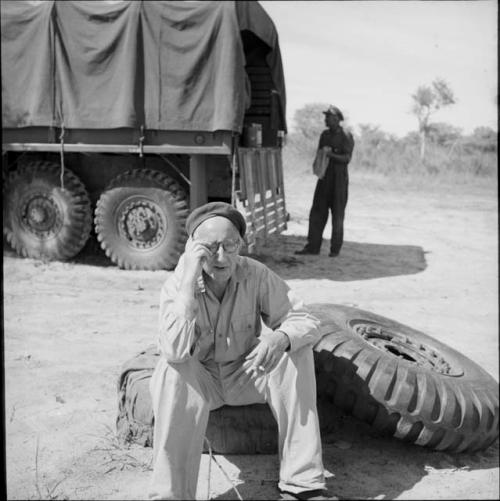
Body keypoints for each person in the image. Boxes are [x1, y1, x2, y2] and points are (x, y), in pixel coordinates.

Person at [149, 202, 335, 501]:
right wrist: (187, 288)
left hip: (246, 373)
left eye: (230, 245)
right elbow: (173, 350)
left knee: (296, 350)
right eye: (210, 247)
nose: (221, 257)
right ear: (192, 248)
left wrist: (279, 338)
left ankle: (303, 485)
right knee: (171, 368)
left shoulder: (256, 274)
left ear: (241, 245)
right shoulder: (178, 284)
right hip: (202, 382)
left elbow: (304, 319)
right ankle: (172, 495)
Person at [295, 105, 355, 257]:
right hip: (324, 178)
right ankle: (312, 247)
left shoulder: (346, 135)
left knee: (338, 215)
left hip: (339, 181)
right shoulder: (324, 135)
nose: (325, 120)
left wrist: (331, 155)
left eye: (328, 117)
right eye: (326, 117)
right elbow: (319, 153)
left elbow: (347, 158)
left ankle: (335, 250)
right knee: (317, 212)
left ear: (336, 119)